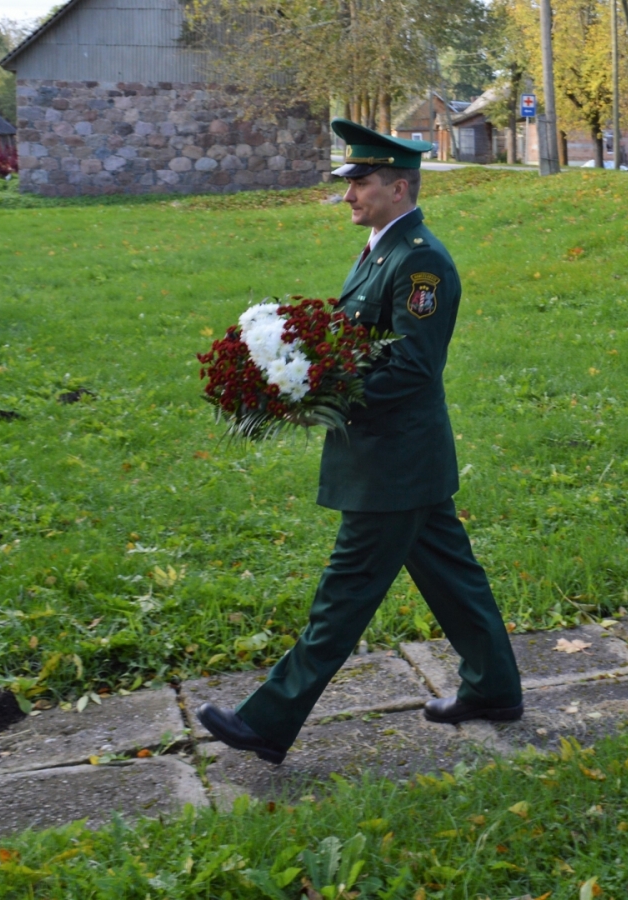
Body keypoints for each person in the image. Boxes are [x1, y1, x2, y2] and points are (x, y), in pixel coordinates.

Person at [196, 120, 524, 764]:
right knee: (454, 580)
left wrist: (315, 390)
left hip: (393, 461)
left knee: (343, 595)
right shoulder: (382, 248)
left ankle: (268, 721)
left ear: (399, 187)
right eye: (350, 184)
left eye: (361, 183)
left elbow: (411, 366)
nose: (349, 196)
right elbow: (354, 341)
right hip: (398, 458)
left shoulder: (420, 259)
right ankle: (494, 690)